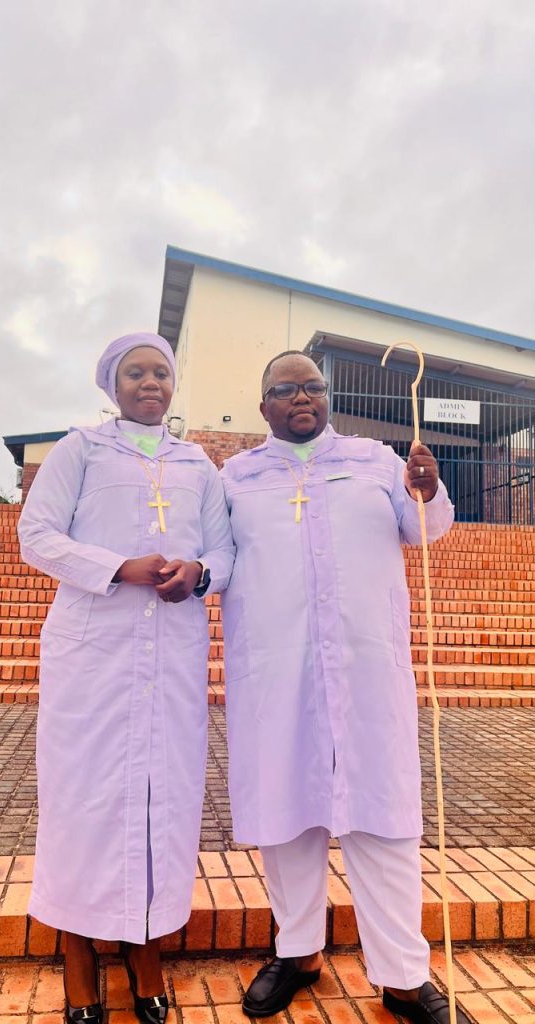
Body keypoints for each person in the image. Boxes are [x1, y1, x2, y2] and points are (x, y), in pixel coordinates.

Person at [220, 351, 470, 1024]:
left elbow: (426, 529)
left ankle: (402, 976)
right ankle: (298, 953)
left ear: (327, 397)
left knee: (382, 816)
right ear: (264, 406)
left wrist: (427, 490)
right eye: (285, 389)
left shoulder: (374, 460)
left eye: (313, 386)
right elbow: (216, 557)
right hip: (277, 670)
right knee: (287, 814)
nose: (302, 397)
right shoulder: (237, 477)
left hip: (365, 669)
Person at [18, 333, 234, 1024]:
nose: (150, 383)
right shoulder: (80, 449)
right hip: (94, 654)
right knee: (83, 800)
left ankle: (145, 951)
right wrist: (118, 568)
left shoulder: (197, 463)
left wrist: (199, 572)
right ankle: (78, 956)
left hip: (171, 653)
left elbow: (224, 548)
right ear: (112, 385)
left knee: (159, 801)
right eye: (135, 372)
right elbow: (36, 535)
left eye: (160, 372)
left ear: (173, 384)